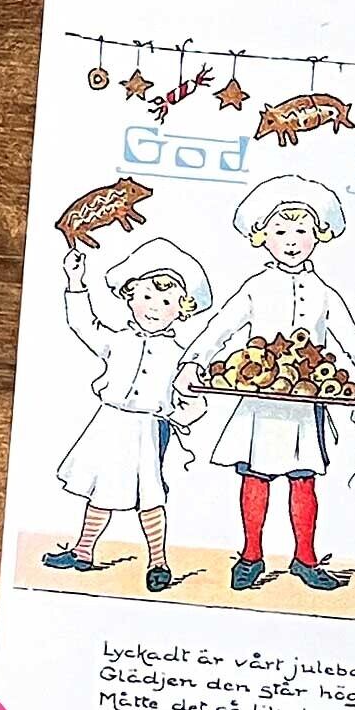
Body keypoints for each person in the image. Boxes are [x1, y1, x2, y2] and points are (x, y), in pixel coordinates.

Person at [177, 174, 355, 591]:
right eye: (280, 232)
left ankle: (305, 558)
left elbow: (351, 337)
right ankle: (251, 555)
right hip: (258, 402)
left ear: (318, 235)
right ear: (263, 237)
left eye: (302, 231)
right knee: (255, 476)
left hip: (305, 406)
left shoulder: (324, 293)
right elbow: (221, 327)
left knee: (303, 479)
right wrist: (192, 361)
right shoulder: (255, 288)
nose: (291, 241)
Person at [43, 238, 211, 592]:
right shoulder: (117, 340)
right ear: (130, 296)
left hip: (147, 431)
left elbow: (195, 402)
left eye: (166, 302)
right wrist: (75, 281)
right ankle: (83, 550)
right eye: (146, 296)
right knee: (100, 490)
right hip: (109, 424)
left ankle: (158, 561)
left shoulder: (181, 355)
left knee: (149, 497)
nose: (153, 308)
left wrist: (180, 413)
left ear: (181, 310)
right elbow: (83, 324)